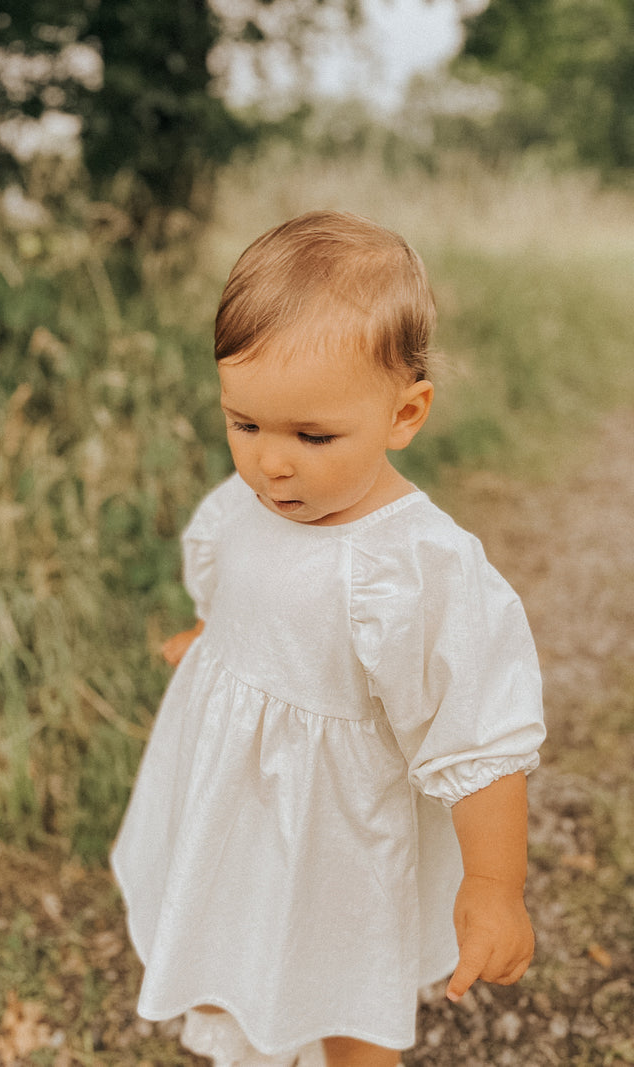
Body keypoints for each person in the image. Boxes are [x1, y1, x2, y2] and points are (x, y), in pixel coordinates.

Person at [111, 210, 546, 1066]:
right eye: (245, 425)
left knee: (346, 973)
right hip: (242, 801)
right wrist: (215, 635)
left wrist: (494, 886)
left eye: (313, 436)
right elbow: (246, 586)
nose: (272, 463)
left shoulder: (412, 568)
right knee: (238, 933)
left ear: (405, 412)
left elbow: (480, 732)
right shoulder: (252, 502)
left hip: (339, 832)